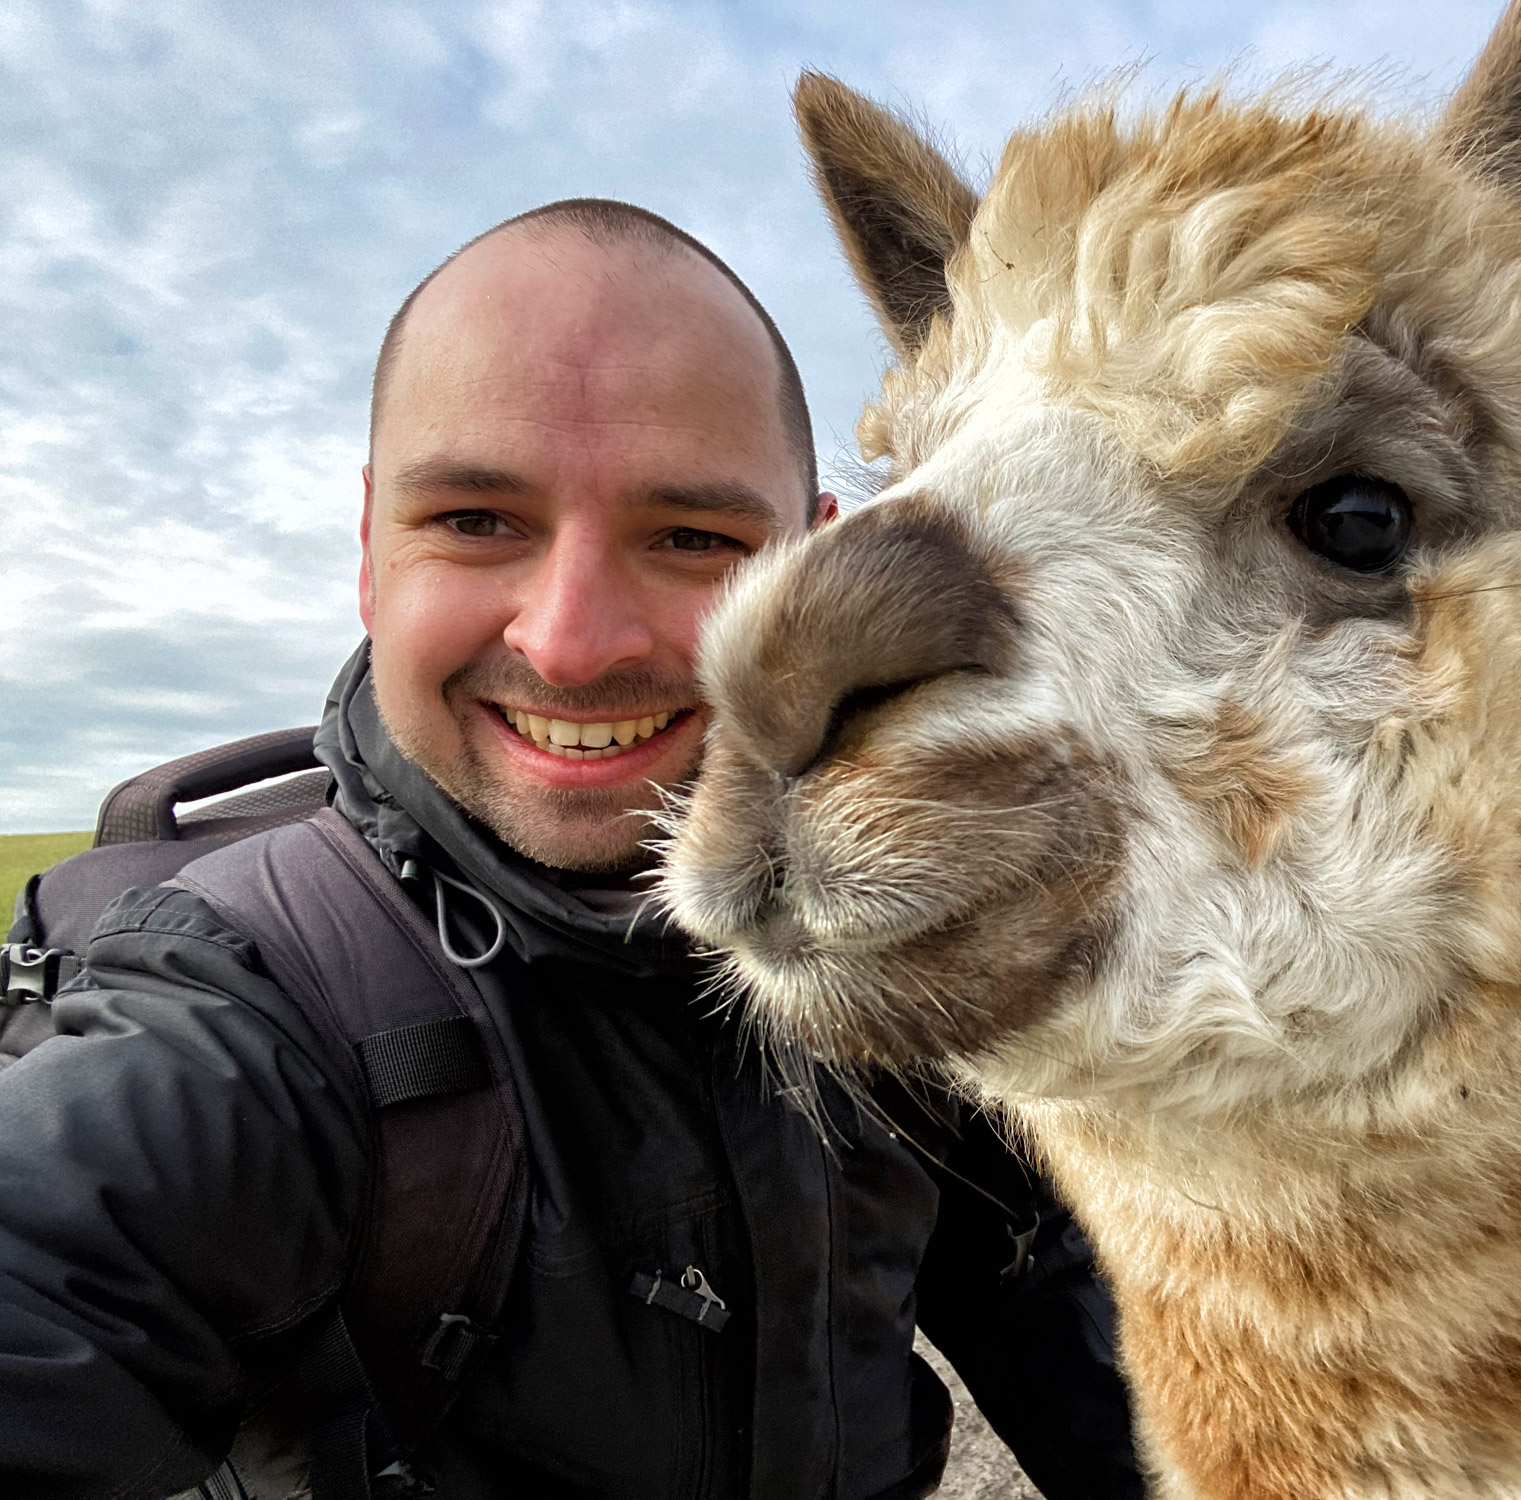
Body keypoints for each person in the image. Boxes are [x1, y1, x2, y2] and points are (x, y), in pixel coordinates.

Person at [0, 199, 1142, 1500]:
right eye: (479, 520)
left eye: (693, 539)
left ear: (813, 563)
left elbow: (1073, 1312)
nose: (573, 641)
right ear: (373, 555)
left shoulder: (892, 927)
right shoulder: (246, 1011)